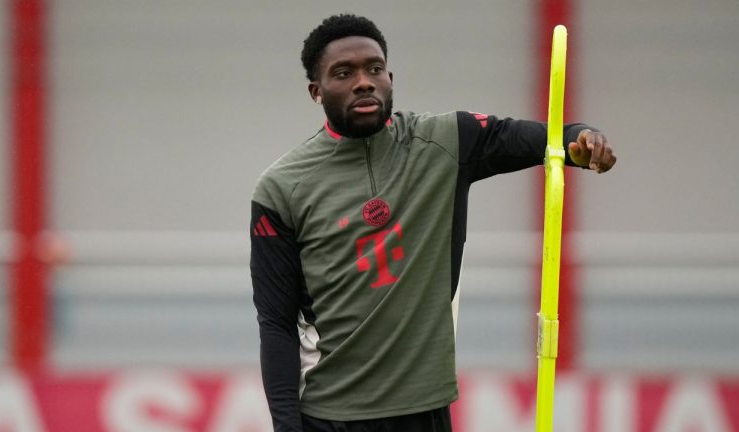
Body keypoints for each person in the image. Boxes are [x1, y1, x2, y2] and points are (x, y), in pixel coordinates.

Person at [250, 13, 616, 432]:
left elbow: (548, 139)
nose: (364, 81)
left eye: (374, 69)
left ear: (390, 76)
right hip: (332, 417)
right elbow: (276, 323)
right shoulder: (281, 187)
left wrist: (584, 138)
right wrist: (285, 427)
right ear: (316, 91)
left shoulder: (445, 141)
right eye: (343, 73)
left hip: (425, 411)